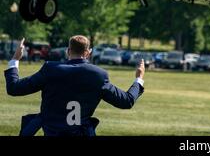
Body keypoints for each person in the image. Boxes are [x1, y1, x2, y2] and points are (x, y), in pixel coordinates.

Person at [4, 36, 145, 136]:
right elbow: (126, 101)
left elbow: (14, 88)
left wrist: (15, 60)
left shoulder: (50, 69)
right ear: (88, 53)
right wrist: (138, 79)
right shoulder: (98, 75)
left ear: (68, 51)